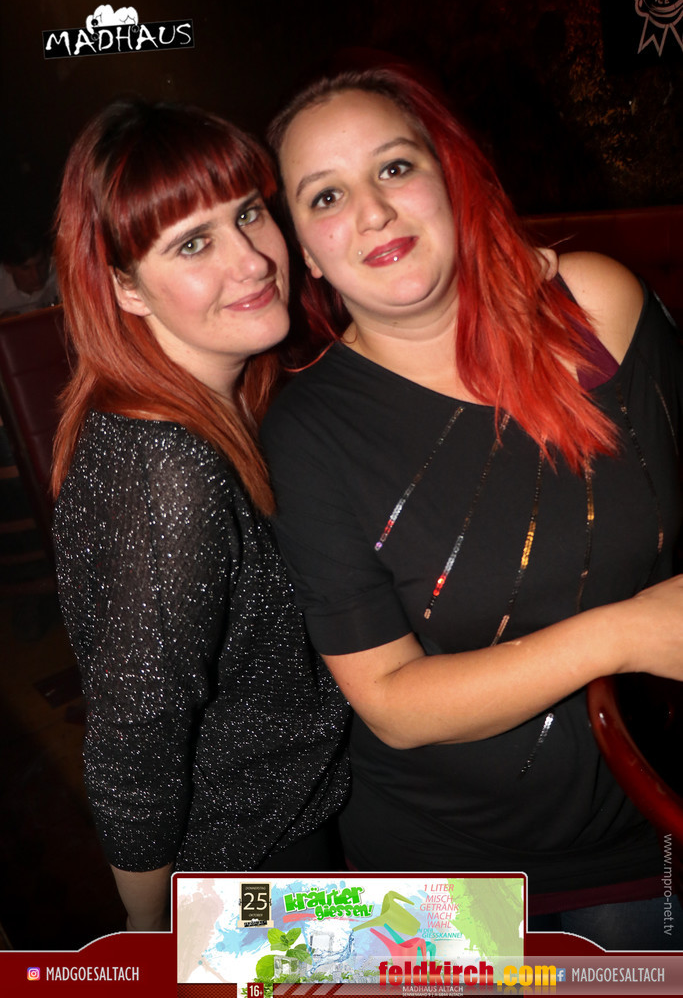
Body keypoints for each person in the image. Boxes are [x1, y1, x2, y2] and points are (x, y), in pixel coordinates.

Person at [262, 66, 683, 949]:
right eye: (326, 196)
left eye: (395, 167)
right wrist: (625, 634)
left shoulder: (593, 309)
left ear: (450, 177)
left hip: (648, 824)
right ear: (306, 252)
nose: (372, 212)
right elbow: (391, 702)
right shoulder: (308, 430)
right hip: (440, 881)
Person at [51, 99, 349, 933]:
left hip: (291, 824)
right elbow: (131, 749)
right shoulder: (168, 472)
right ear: (124, 287)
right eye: (192, 243)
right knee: (523, 959)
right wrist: (154, 943)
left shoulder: (227, 401)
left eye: (247, 213)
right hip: (252, 881)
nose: (251, 259)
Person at [0, 222, 59, 315]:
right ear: (8, 268)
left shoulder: (64, 274)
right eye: (25, 268)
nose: (36, 276)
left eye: (40, 264)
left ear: (48, 256)